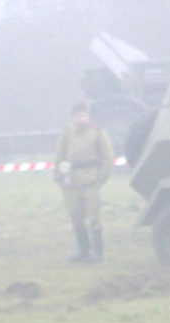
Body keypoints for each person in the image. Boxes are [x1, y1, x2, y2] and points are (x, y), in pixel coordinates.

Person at [54, 102, 114, 262]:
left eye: (84, 115)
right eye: (78, 115)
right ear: (73, 117)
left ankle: (98, 252)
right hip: (71, 180)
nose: (81, 118)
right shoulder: (67, 133)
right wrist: (58, 176)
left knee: (94, 216)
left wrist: (101, 178)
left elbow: (108, 158)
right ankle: (83, 250)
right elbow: (59, 156)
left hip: (91, 179)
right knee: (76, 216)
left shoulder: (98, 132)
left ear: (88, 116)